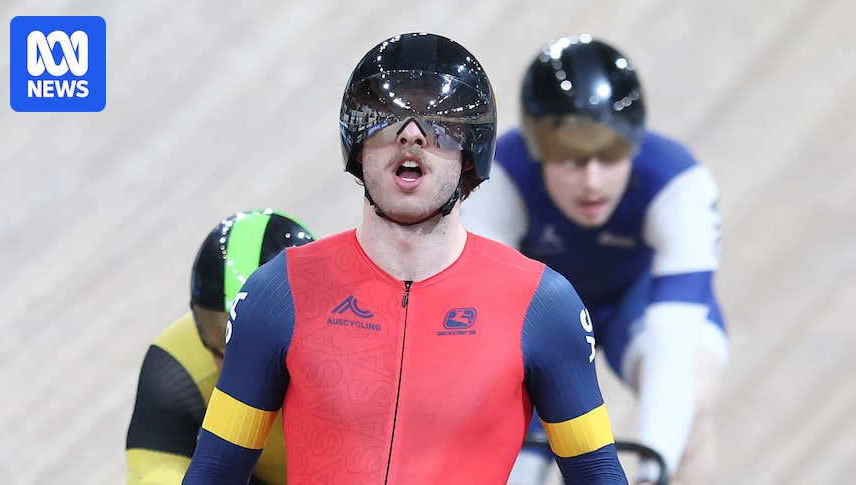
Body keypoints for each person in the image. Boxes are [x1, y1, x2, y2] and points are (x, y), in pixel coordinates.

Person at [183, 32, 627, 484]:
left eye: (438, 122)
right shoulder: (278, 293)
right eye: (386, 118)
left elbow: (596, 471)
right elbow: (214, 472)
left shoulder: (542, 304)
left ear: (471, 152)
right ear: (357, 146)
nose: (411, 134)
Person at [460, 34, 729, 485]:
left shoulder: (678, 183)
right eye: (570, 159)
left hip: (638, 303)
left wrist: (651, 470)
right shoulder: (498, 180)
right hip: (538, 311)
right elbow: (488, 337)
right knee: (507, 444)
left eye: (610, 155)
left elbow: (674, 334)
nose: (592, 181)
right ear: (535, 149)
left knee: (691, 411)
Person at [125, 209, 315, 485]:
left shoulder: (377, 332)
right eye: (225, 334)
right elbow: (152, 473)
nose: (251, 360)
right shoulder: (178, 366)